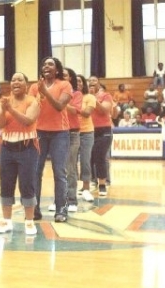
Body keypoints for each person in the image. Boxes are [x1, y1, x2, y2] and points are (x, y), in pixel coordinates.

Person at [0, 72, 40, 235]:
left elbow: (28, 120)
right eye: (13, 80)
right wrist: (2, 109)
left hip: (27, 148)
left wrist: (10, 109)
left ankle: (29, 222)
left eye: (20, 79)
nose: (16, 82)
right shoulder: (5, 101)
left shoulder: (32, 101)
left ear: (26, 84)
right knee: (6, 184)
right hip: (7, 147)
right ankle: (7, 222)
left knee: (27, 184)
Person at [28, 57, 72, 223]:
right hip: (38, 132)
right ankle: (35, 209)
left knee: (59, 172)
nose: (46, 66)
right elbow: (31, 107)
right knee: (35, 172)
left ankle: (61, 209)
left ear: (57, 70)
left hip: (59, 133)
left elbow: (60, 106)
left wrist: (45, 93)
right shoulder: (34, 87)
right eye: (44, 64)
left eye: (50, 64)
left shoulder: (65, 85)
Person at [55, 67, 82, 213]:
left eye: (65, 75)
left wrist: (61, 101)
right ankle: (59, 199)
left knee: (70, 167)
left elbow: (74, 110)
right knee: (58, 168)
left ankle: (72, 199)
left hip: (72, 133)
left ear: (70, 78)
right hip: (58, 132)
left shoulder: (76, 94)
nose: (62, 77)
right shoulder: (55, 93)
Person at [88, 76, 113, 197]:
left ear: (99, 84)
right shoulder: (85, 97)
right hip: (89, 130)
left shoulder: (106, 96)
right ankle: (92, 181)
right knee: (89, 158)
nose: (92, 82)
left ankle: (103, 184)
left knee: (100, 157)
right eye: (90, 81)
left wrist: (93, 98)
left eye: (94, 80)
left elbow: (104, 110)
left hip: (103, 130)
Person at [76, 74, 96, 203]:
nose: (77, 83)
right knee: (70, 162)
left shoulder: (89, 97)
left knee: (85, 160)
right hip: (71, 132)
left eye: (80, 81)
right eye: (75, 81)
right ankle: (71, 188)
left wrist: (71, 107)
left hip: (86, 132)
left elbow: (87, 113)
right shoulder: (68, 96)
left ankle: (86, 188)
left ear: (84, 84)